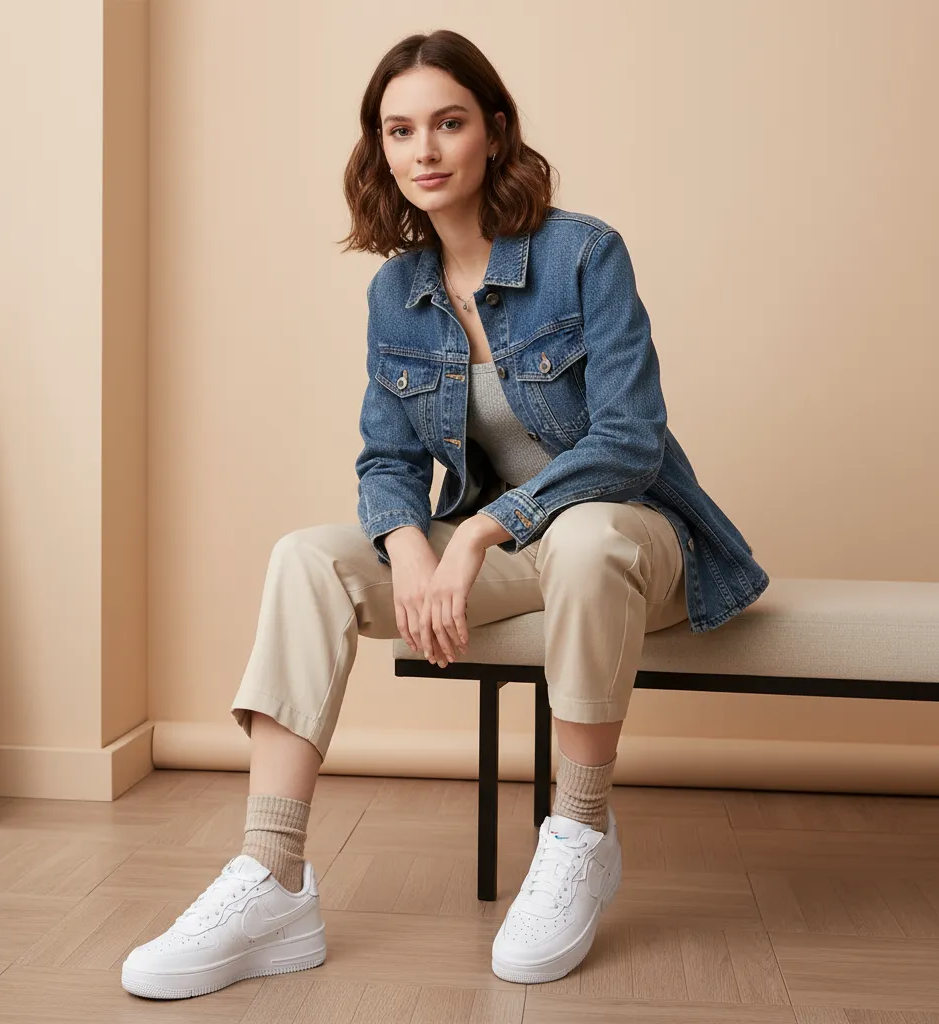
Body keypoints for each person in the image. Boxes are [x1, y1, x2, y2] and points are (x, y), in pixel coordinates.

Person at [121, 28, 769, 1000]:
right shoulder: (398, 291)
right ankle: (273, 875)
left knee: (586, 537)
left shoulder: (583, 254)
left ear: (494, 131)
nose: (423, 149)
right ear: (379, 147)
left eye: (448, 123)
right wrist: (409, 549)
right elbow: (387, 459)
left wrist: (474, 532)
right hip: (513, 556)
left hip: (634, 540)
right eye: (399, 130)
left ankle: (580, 832)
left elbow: (629, 441)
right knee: (307, 556)